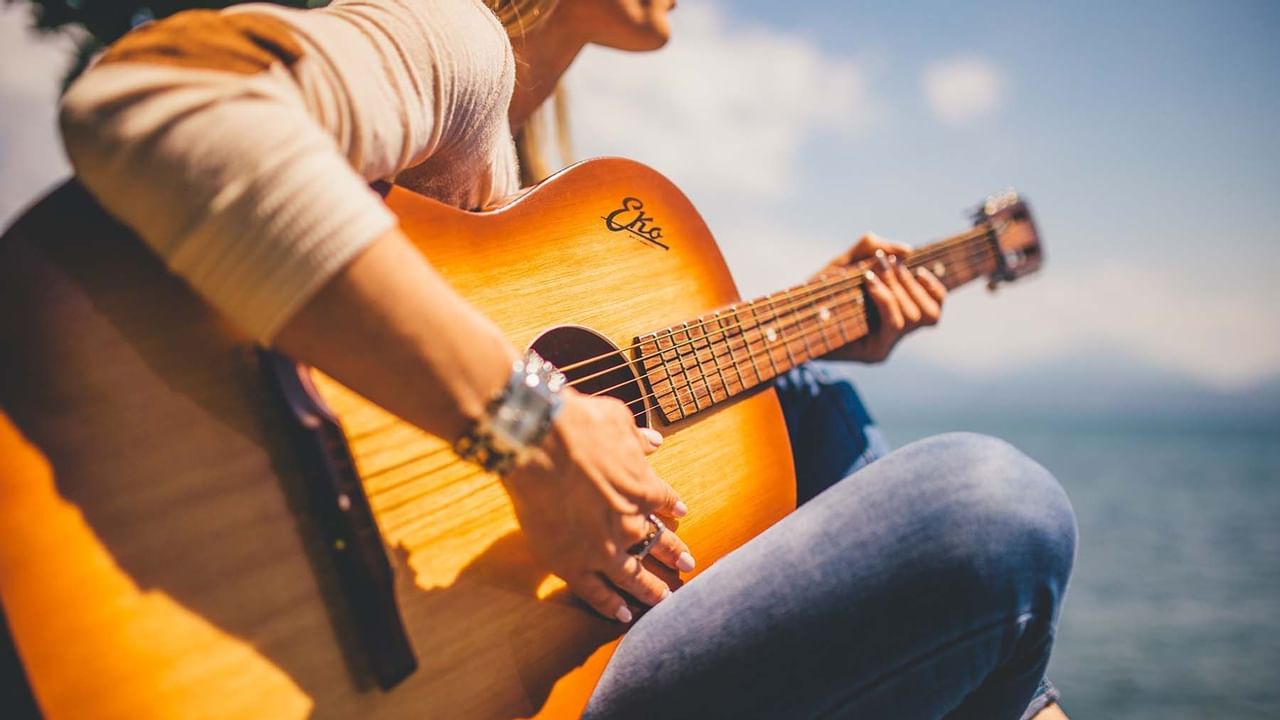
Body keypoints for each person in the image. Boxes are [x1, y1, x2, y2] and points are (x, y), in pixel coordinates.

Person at [55, 0, 1077, 717]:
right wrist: (530, 432)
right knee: (987, 504)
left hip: (528, 674)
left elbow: (591, 389)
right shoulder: (451, 37)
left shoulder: (533, 177)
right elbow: (159, 94)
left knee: (812, 400)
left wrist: (814, 322)